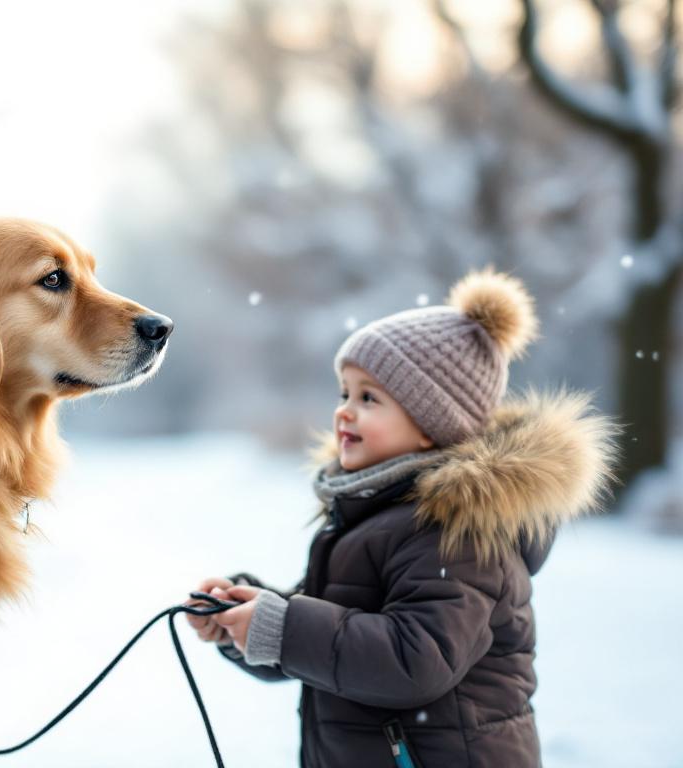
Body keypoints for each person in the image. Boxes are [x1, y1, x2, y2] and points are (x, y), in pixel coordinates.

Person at [186, 269, 615, 767]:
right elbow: (332, 637)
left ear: (433, 425)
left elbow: (415, 661)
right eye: (344, 393)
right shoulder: (374, 516)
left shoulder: (458, 532)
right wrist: (251, 620)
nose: (345, 411)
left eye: (369, 398)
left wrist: (283, 628)